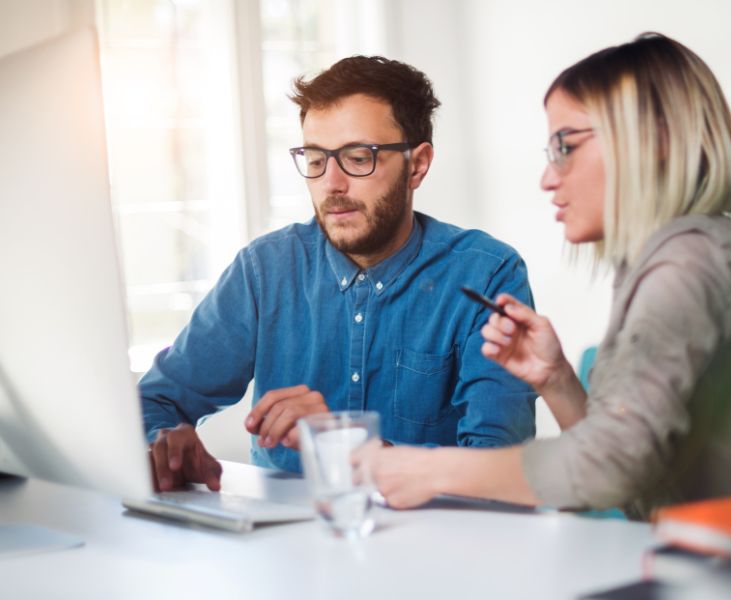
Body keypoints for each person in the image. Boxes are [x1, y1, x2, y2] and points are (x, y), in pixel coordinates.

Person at [369, 33, 731, 520]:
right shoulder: (670, 259)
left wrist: (430, 470)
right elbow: (635, 470)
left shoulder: (687, 267)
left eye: (566, 146)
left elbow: (610, 468)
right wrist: (556, 378)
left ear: (656, 138)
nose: (548, 177)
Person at [140, 56, 537, 492]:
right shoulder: (264, 271)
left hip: (431, 548)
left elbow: (504, 472)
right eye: (315, 159)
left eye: (357, 157)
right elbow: (156, 400)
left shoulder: (486, 275)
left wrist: (347, 442)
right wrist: (165, 444)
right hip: (284, 549)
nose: (331, 183)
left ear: (417, 165)